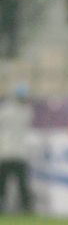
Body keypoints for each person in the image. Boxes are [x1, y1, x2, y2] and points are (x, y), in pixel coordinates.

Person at [0, 83, 34, 214]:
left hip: (10, 153)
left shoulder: (7, 110)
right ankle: (26, 208)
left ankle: (25, 207)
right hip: (13, 153)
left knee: (13, 184)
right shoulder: (26, 111)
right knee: (17, 184)